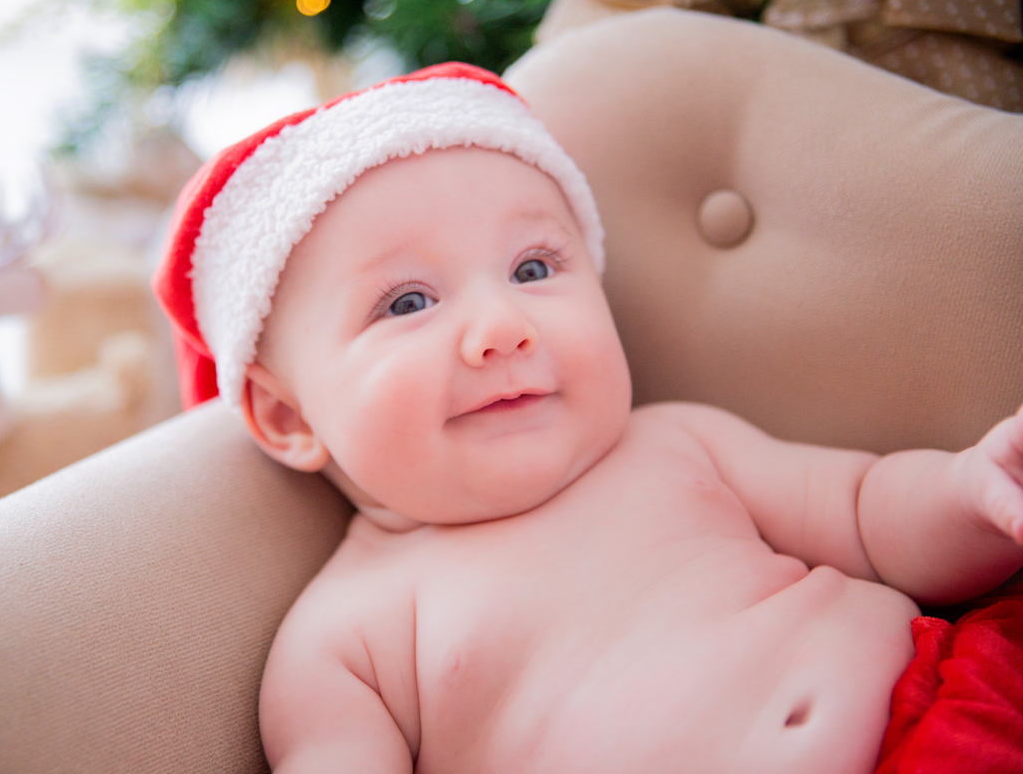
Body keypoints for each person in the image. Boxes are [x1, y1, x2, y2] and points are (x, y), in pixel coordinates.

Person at [153, 63, 1023, 773]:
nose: (501, 328)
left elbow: (871, 517)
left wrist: (967, 491)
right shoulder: (346, 639)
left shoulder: (677, 440)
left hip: (950, 699)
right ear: (287, 416)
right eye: (409, 300)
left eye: (533, 269)